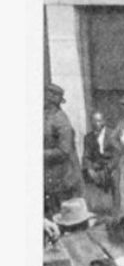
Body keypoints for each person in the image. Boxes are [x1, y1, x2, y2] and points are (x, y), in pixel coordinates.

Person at [44, 82, 82, 214]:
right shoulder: (45, 117)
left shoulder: (60, 120)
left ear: (53, 102)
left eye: (46, 99)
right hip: (49, 175)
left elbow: (64, 151)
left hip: (62, 176)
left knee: (61, 213)